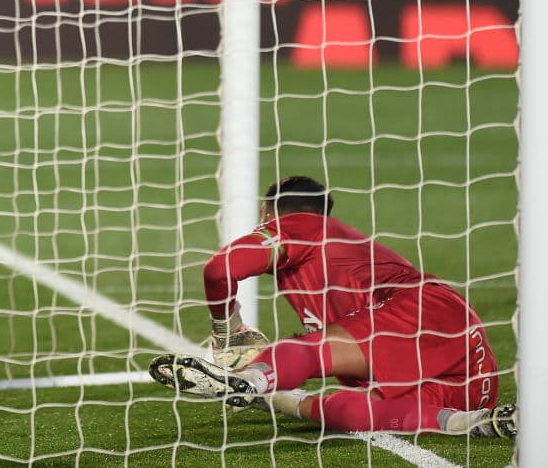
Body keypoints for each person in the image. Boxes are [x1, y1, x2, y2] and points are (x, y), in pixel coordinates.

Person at [149, 175, 516, 438]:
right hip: (474, 380)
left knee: (305, 353)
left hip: (423, 307)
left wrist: (228, 329)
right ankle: (471, 423)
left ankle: (250, 382)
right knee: (344, 412)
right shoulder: (329, 261)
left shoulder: (301, 225)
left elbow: (221, 268)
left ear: (267, 215)